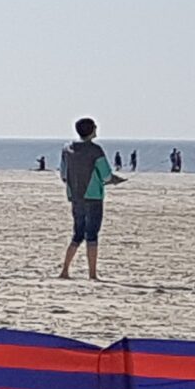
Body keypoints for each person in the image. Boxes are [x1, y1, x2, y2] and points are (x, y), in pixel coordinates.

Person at [57, 118, 127, 281]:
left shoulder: (67, 149)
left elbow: (63, 174)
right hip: (93, 196)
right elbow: (106, 175)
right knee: (92, 234)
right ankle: (92, 274)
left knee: (78, 234)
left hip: (75, 196)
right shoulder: (95, 150)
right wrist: (114, 180)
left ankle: (65, 270)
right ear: (91, 130)